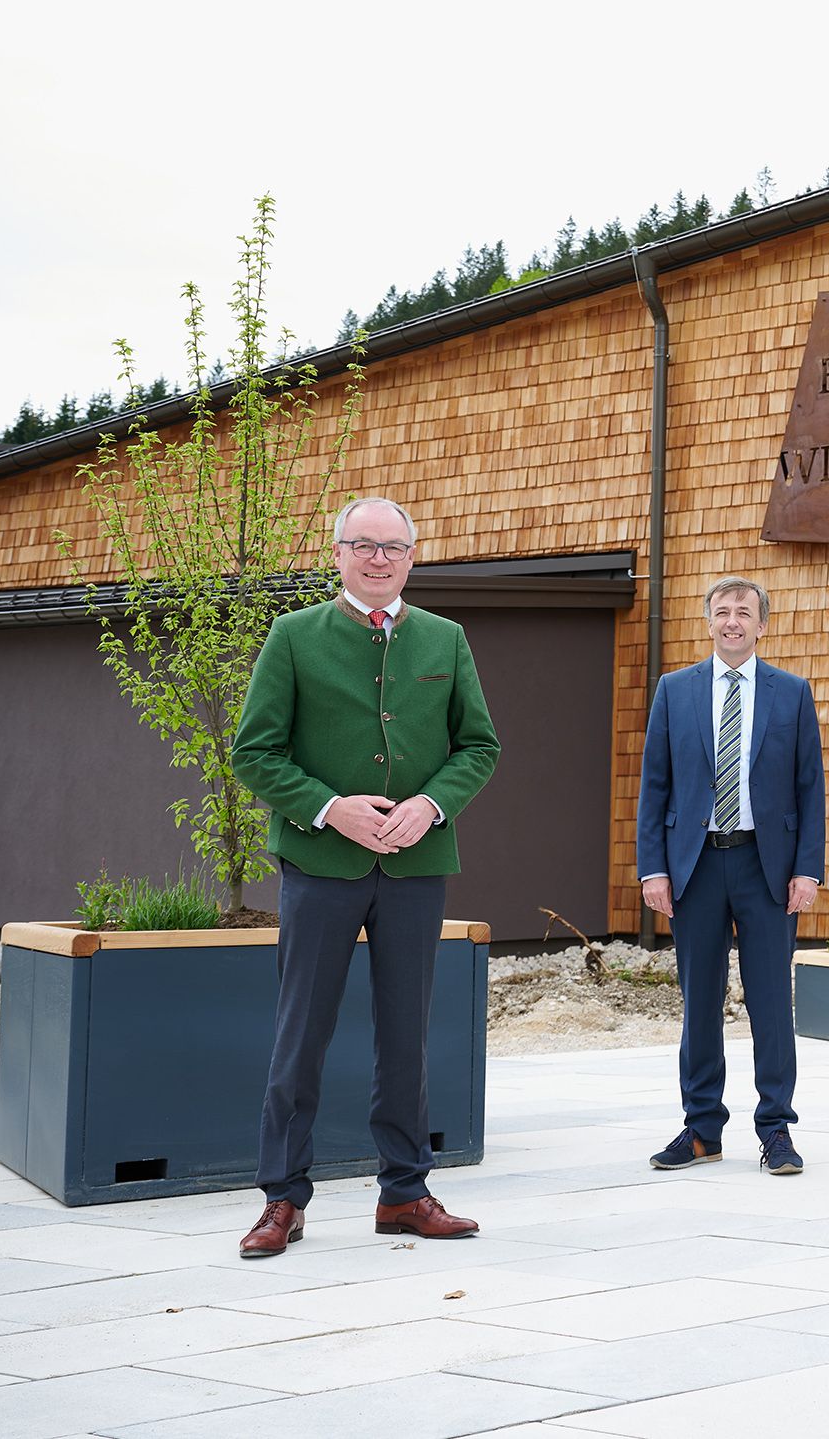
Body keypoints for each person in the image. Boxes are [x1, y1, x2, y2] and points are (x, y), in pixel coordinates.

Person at [232, 496, 500, 1257]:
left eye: (393, 547)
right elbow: (255, 753)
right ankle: (282, 1199)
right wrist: (327, 808)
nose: (379, 558)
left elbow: (478, 747)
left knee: (407, 1036)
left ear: (412, 558)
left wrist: (432, 805)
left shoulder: (446, 639)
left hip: (415, 867)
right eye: (363, 544)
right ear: (339, 553)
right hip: (320, 865)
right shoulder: (294, 636)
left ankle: (405, 1194)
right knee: (301, 1034)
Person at [639, 576, 824, 1175]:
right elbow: (655, 787)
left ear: (762, 625)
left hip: (765, 866)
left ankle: (775, 1130)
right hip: (694, 865)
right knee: (699, 1001)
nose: (732, 622)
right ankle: (700, 1130)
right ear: (709, 621)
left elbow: (809, 788)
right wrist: (653, 869)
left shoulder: (791, 693)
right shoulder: (675, 690)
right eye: (722, 612)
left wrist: (808, 870)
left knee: (772, 1002)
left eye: (744, 613)